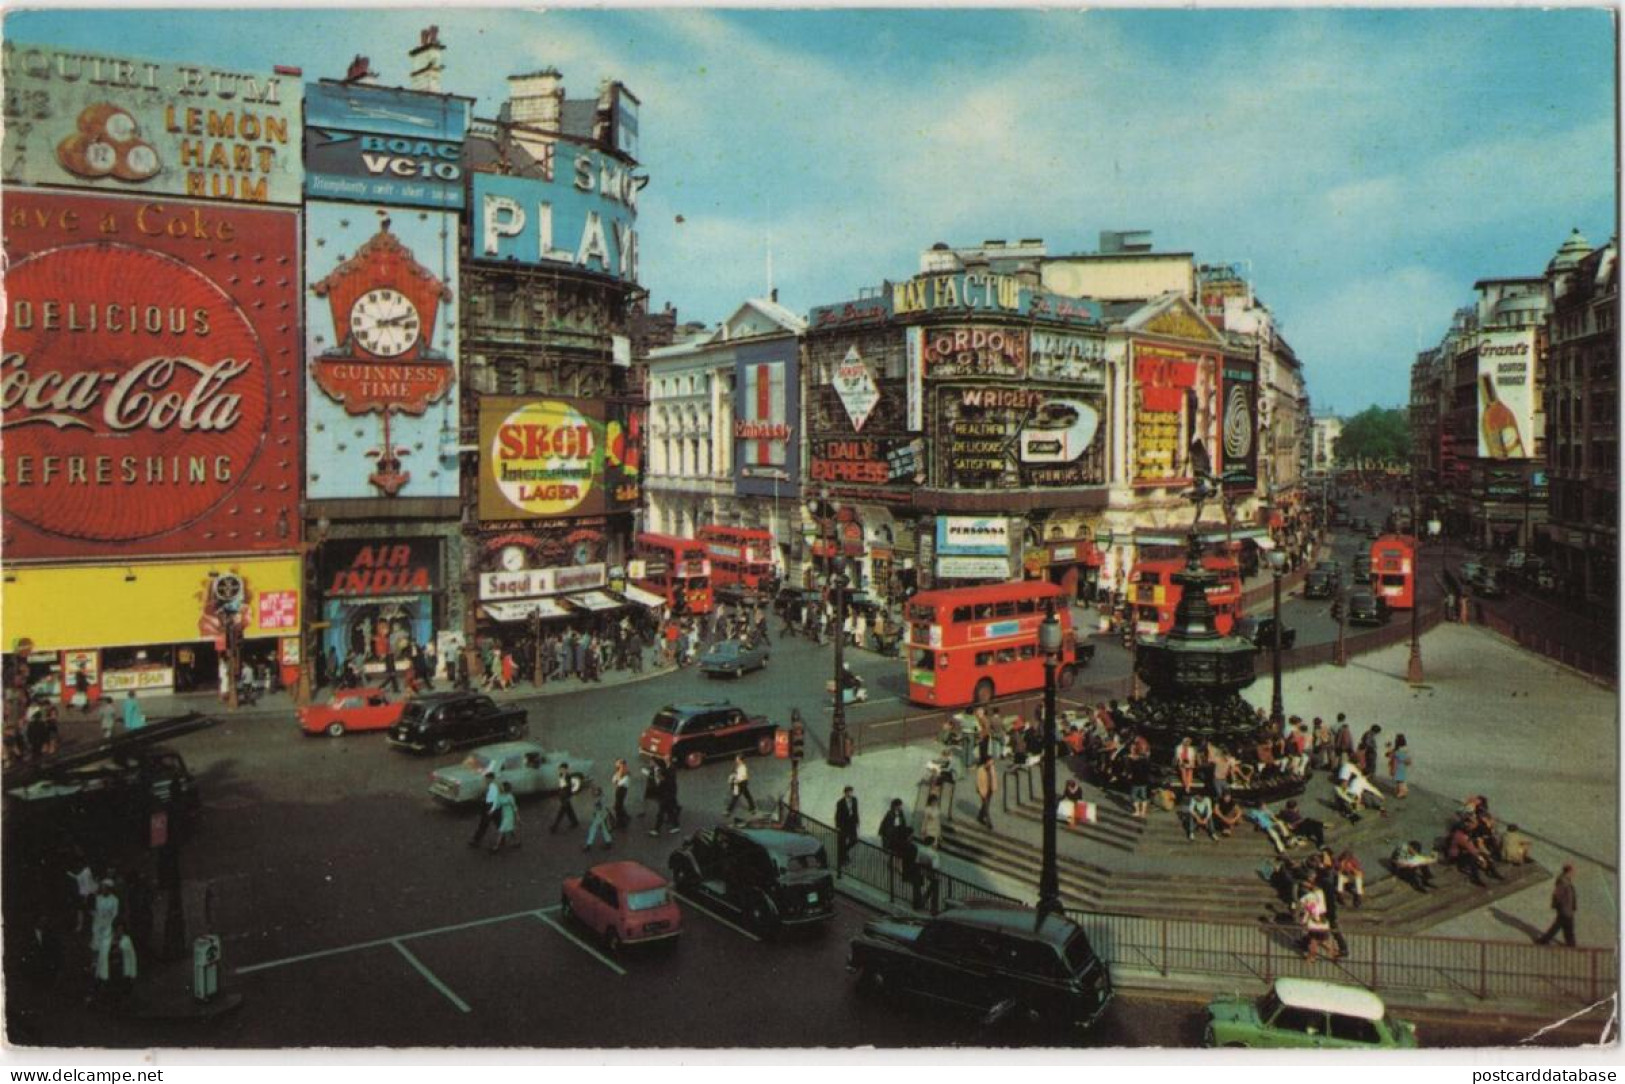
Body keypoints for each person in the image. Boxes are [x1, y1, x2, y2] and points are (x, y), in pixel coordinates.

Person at [94, 918, 137, 1005]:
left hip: (121, 973)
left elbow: (132, 958)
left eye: (122, 930)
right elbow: (101, 958)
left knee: (119, 996)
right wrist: (98, 973)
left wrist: (133, 974)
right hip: (109, 972)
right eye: (118, 929)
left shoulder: (127, 941)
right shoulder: (106, 941)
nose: (119, 932)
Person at [1536, 863, 1578, 947]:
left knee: (1560, 926)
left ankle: (1544, 940)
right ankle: (1571, 944)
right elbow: (1557, 894)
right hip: (1565, 909)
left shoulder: (1566, 880)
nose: (1574, 874)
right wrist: (1562, 905)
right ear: (1568, 872)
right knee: (1567, 927)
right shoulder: (1563, 882)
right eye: (1572, 872)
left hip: (1566, 908)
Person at [469, 772, 500, 849]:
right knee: (484, 825)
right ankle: (476, 840)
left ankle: (477, 841)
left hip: (492, 808)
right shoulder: (491, 785)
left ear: (490, 778)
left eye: (487, 779)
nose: (486, 780)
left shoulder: (494, 786)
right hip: (491, 808)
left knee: (488, 824)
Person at [488, 782, 519, 854]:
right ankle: (517, 841)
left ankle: (496, 847)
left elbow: (514, 807)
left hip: (509, 815)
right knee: (510, 830)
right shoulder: (500, 796)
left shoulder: (509, 797)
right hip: (504, 814)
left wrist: (517, 816)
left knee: (501, 830)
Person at [652, 760, 682, 835]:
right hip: (667, 797)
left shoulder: (667, 781)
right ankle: (676, 826)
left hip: (666, 798)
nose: (659, 776)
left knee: (661, 813)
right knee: (670, 812)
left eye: (660, 775)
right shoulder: (666, 778)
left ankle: (656, 829)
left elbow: (665, 788)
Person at [834, 786, 860, 872]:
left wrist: (857, 822)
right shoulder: (840, 802)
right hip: (844, 825)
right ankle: (842, 861)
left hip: (852, 824)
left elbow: (856, 811)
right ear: (845, 793)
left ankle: (844, 853)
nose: (850, 794)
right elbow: (837, 815)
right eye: (848, 792)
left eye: (851, 792)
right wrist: (838, 826)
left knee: (855, 840)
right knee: (842, 842)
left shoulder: (855, 800)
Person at [551, 762, 581, 832]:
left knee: (561, 812)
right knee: (569, 810)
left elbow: (569, 787)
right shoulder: (560, 775)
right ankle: (575, 822)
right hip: (562, 795)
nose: (562, 770)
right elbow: (560, 785)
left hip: (565, 795)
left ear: (566, 769)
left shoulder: (568, 777)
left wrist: (568, 796)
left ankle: (555, 826)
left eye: (563, 769)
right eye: (561, 769)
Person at [584, 787, 614, 851]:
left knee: (592, 828)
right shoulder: (602, 797)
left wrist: (595, 811)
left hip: (600, 815)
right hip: (603, 815)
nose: (593, 794)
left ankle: (588, 844)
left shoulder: (599, 799)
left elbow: (599, 808)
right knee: (604, 829)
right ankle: (608, 841)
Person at [974, 754, 997, 828]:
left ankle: (980, 816)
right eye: (990, 762)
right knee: (986, 806)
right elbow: (979, 782)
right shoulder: (980, 770)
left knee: (985, 805)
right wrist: (981, 791)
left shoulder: (991, 769)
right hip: (983, 789)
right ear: (986, 762)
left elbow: (994, 778)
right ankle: (989, 822)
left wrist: (994, 787)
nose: (992, 764)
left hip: (989, 788)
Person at [1386, 734, 1412, 799]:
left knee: (1399, 780)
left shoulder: (1397, 751)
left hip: (1397, 766)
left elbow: (1391, 756)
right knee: (1401, 779)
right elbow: (1407, 760)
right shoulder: (1405, 749)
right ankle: (1403, 790)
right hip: (1402, 766)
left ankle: (1402, 792)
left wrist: (1393, 769)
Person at [611, 759, 632, 830]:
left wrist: (618, 777)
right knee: (619, 805)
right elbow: (613, 780)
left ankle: (621, 824)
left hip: (622, 791)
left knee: (618, 806)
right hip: (619, 790)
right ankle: (625, 817)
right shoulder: (619, 773)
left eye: (619, 765)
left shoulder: (626, 776)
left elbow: (619, 783)